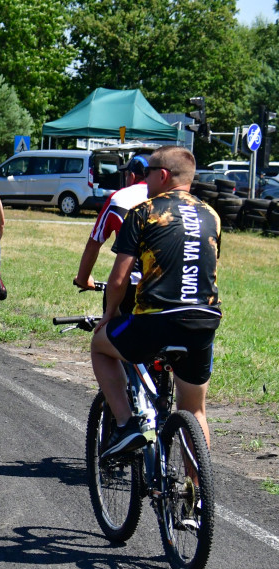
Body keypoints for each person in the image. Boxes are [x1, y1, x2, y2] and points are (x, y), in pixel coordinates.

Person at [91, 146, 222, 456]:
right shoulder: (212, 215)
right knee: (195, 411)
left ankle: (126, 424)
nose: (144, 179)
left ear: (162, 176)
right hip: (203, 321)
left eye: (148, 172)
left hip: (156, 321)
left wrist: (109, 316)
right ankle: (198, 495)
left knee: (100, 345)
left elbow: (120, 278)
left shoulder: (144, 211)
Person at [74, 155, 149, 292]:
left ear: (131, 176)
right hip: (165, 285)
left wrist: (83, 279)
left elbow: (94, 243)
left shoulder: (118, 198)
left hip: (129, 283)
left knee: (113, 310)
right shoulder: (168, 199)